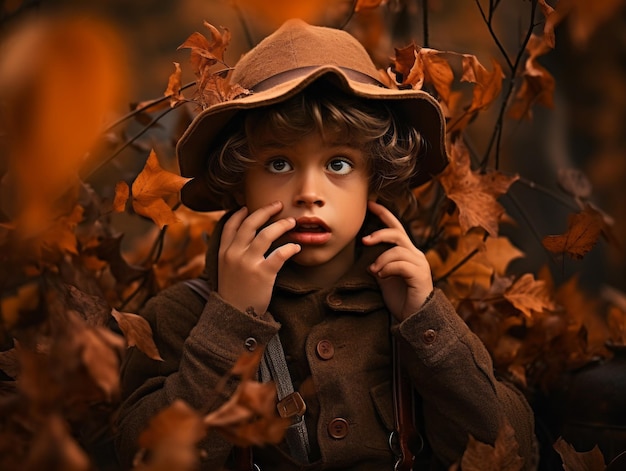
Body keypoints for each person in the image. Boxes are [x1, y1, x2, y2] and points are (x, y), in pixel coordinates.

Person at [115, 18, 537, 471]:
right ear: (239, 185)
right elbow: (140, 458)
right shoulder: (183, 316)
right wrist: (229, 324)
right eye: (279, 163)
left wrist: (426, 322)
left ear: (374, 181)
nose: (308, 192)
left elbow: (510, 452)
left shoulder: (411, 310)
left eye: (338, 163)